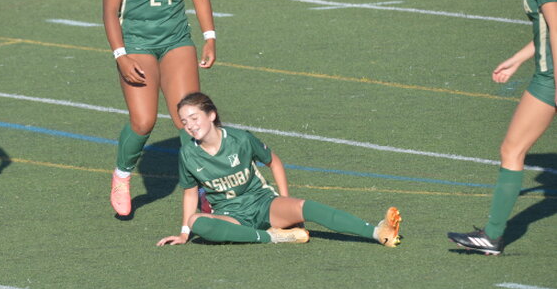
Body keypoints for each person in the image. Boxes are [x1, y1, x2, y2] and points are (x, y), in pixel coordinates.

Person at [156, 92, 403, 247]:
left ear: (211, 115)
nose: (190, 125)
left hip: (264, 204)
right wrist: (184, 233)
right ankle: (273, 237)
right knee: (197, 222)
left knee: (305, 206)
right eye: (184, 121)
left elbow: (274, 162)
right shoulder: (188, 153)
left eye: (194, 117)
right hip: (231, 216)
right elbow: (190, 192)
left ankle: (376, 232)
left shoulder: (241, 139)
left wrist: (285, 200)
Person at [448, 0, 556, 255]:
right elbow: (547, 29)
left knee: (512, 150)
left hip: (549, 79)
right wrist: (518, 59)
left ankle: (493, 236)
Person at [93, 0, 216, 216]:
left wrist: (210, 37)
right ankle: (122, 175)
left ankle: (204, 187)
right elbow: (109, 13)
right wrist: (121, 55)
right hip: (136, 44)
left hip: (177, 40)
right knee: (143, 121)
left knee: (190, 117)